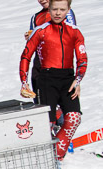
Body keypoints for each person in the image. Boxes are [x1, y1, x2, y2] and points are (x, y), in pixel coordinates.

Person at [20, 0, 86, 160]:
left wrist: (78, 80)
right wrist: (24, 81)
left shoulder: (74, 30)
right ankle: (48, 158)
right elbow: (26, 55)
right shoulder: (39, 25)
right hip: (45, 75)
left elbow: (82, 58)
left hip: (67, 77)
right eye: (54, 9)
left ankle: (57, 154)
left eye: (61, 10)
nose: (58, 12)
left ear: (67, 9)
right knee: (47, 121)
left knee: (74, 117)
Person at [23, 0, 76, 102]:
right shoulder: (36, 17)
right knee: (41, 100)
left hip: (60, 62)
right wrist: (30, 37)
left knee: (65, 102)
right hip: (40, 63)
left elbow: (70, 34)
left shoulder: (65, 12)